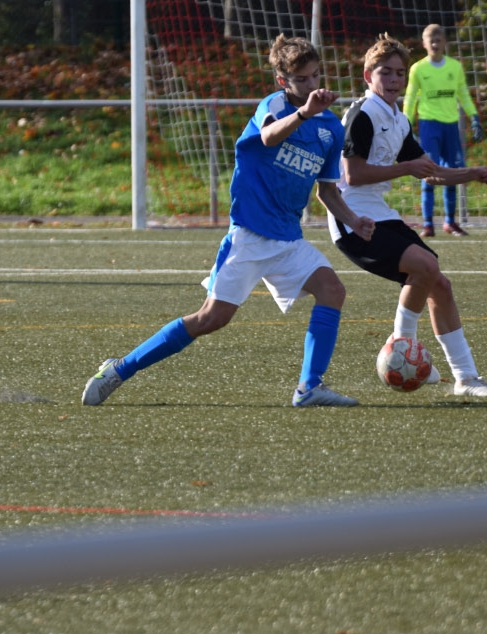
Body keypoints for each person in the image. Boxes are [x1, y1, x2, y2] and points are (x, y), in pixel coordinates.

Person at [82, 34, 375, 408]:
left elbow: (327, 191)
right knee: (211, 318)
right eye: (301, 79)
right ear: (283, 81)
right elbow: (269, 137)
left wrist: (353, 220)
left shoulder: (330, 128)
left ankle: (309, 388)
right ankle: (120, 369)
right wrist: (304, 113)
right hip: (250, 235)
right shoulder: (275, 105)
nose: (311, 84)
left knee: (332, 290)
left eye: (315, 75)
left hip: (288, 240)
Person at [327, 33, 487, 398]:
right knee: (425, 265)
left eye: (399, 73)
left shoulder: (398, 119)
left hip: (380, 212)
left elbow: (429, 171)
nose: (394, 80)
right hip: (353, 218)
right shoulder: (363, 114)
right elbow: (352, 175)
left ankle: (466, 379)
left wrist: (472, 173)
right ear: (368, 76)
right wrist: (405, 168)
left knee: (440, 284)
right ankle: (401, 346)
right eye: (385, 72)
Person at [403, 24, 484, 238]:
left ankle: (450, 222)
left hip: (451, 126)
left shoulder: (454, 67)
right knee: (428, 171)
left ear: (444, 42)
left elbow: (463, 94)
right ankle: (428, 224)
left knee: (453, 172)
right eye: (431, 41)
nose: (435, 44)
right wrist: (405, 124)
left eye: (438, 40)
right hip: (429, 125)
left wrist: (474, 117)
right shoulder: (418, 69)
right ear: (424, 44)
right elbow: (410, 98)